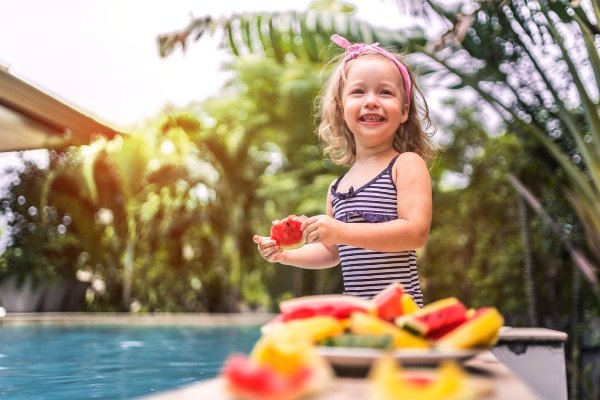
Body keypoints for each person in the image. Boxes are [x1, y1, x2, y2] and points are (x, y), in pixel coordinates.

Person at [253, 34, 436, 307]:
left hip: (403, 316)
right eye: (359, 92)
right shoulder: (337, 188)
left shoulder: (405, 164)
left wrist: (340, 231)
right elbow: (331, 251)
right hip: (357, 317)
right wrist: (285, 254)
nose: (372, 100)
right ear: (340, 108)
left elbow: (415, 233)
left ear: (404, 110)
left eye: (385, 92)